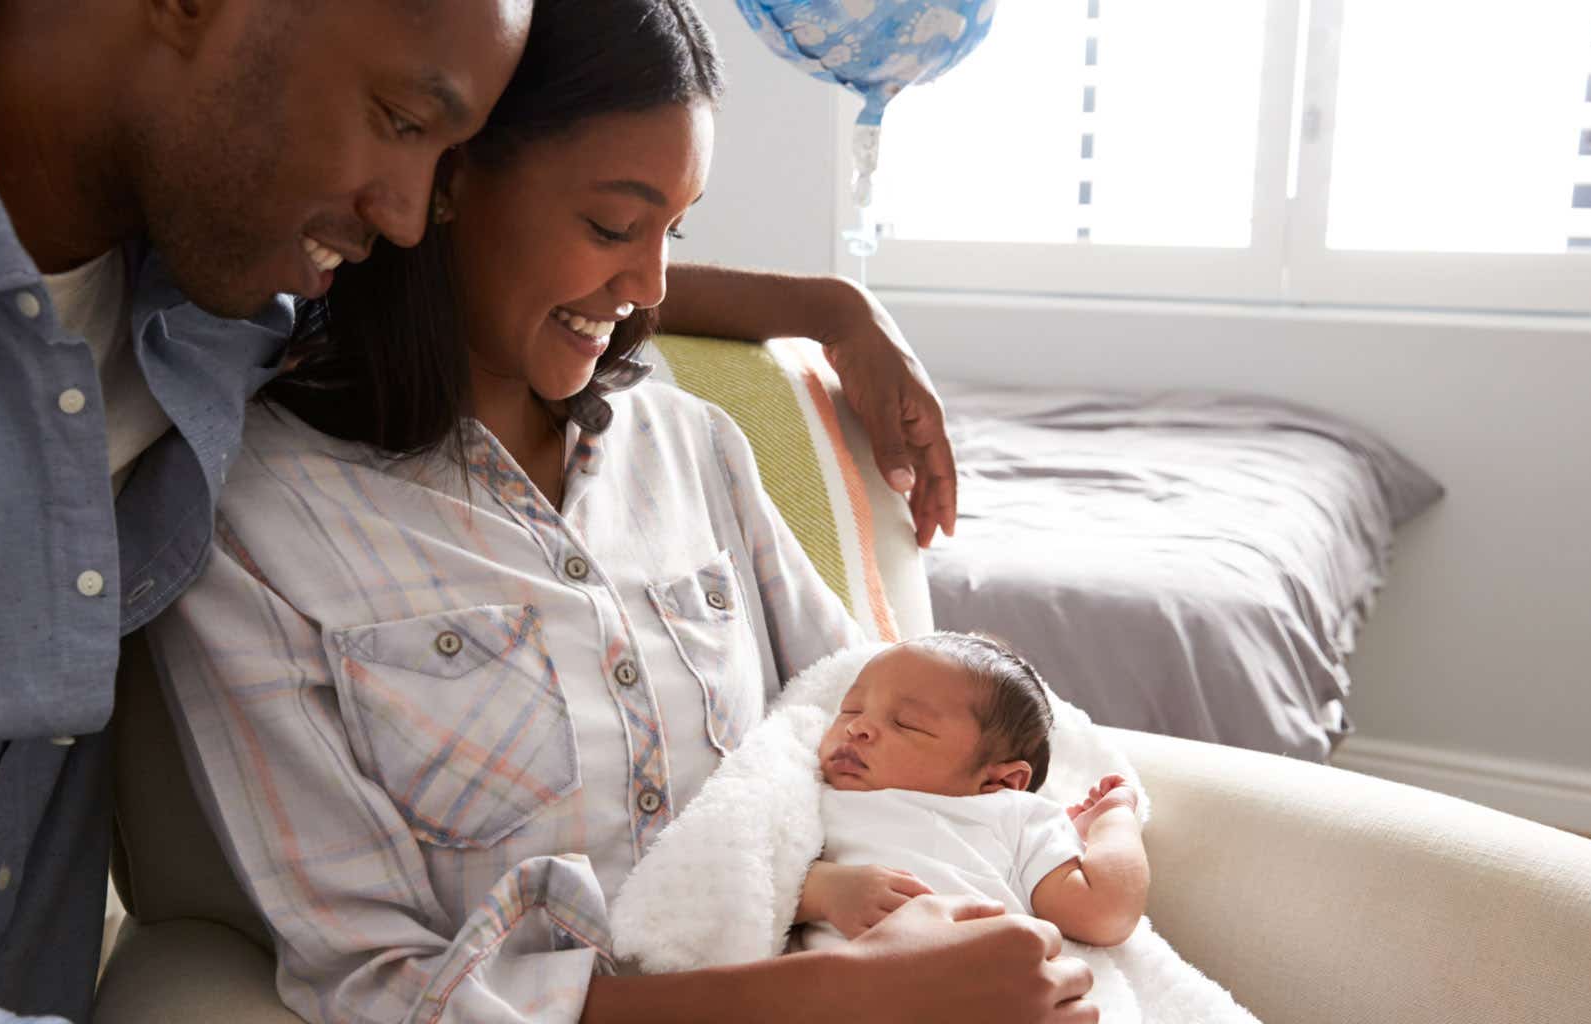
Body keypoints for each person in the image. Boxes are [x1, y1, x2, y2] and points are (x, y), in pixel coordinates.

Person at [0, 0, 959, 1021]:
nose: (404, 215)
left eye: (445, 153)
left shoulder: (229, 238)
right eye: (403, 119)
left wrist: (825, 308)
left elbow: (506, 264)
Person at [147, 1, 1095, 1020]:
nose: (647, 286)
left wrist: (1061, 856)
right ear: (450, 177)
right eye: (611, 225)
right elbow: (381, 982)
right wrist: (841, 997)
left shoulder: (691, 448)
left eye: (673, 230)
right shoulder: (261, 518)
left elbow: (875, 724)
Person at [800, 633, 1150, 949]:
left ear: (998, 782)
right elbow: (758, 880)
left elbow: (1104, 915)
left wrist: (1114, 819)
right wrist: (827, 890)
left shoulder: (1011, 814)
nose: (857, 727)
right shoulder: (807, 795)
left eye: (907, 723)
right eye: (850, 710)